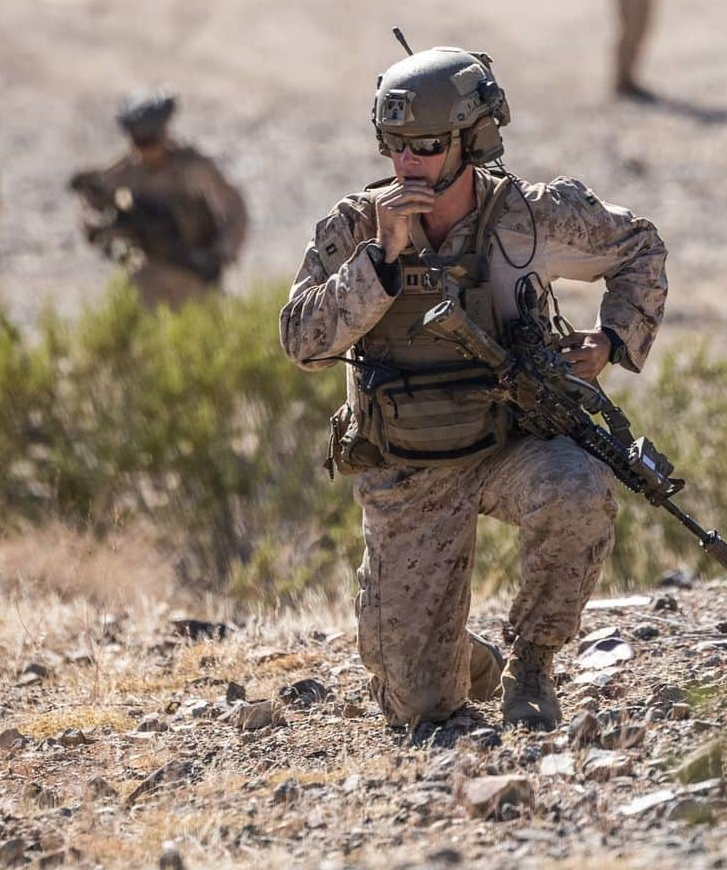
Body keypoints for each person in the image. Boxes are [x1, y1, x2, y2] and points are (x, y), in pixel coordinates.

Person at [279, 44, 668, 731]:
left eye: (426, 145)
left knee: (579, 490)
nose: (407, 162)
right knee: (419, 708)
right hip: (409, 470)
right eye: (394, 144)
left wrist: (610, 341)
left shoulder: (531, 218)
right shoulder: (355, 226)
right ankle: (459, 658)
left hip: (508, 447)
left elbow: (639, 246)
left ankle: (532, 665)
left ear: (472, 139)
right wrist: (382, 260)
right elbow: (303, 342)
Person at [70, 89, 247, 308]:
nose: (146, 150)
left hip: (193, 276)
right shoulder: (126, 170)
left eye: (151, 140)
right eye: (140, 142)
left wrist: (220, 254)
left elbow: (234, 208)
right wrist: (101, 226)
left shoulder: (192, 168)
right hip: (148, 278)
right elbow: (93, 205)